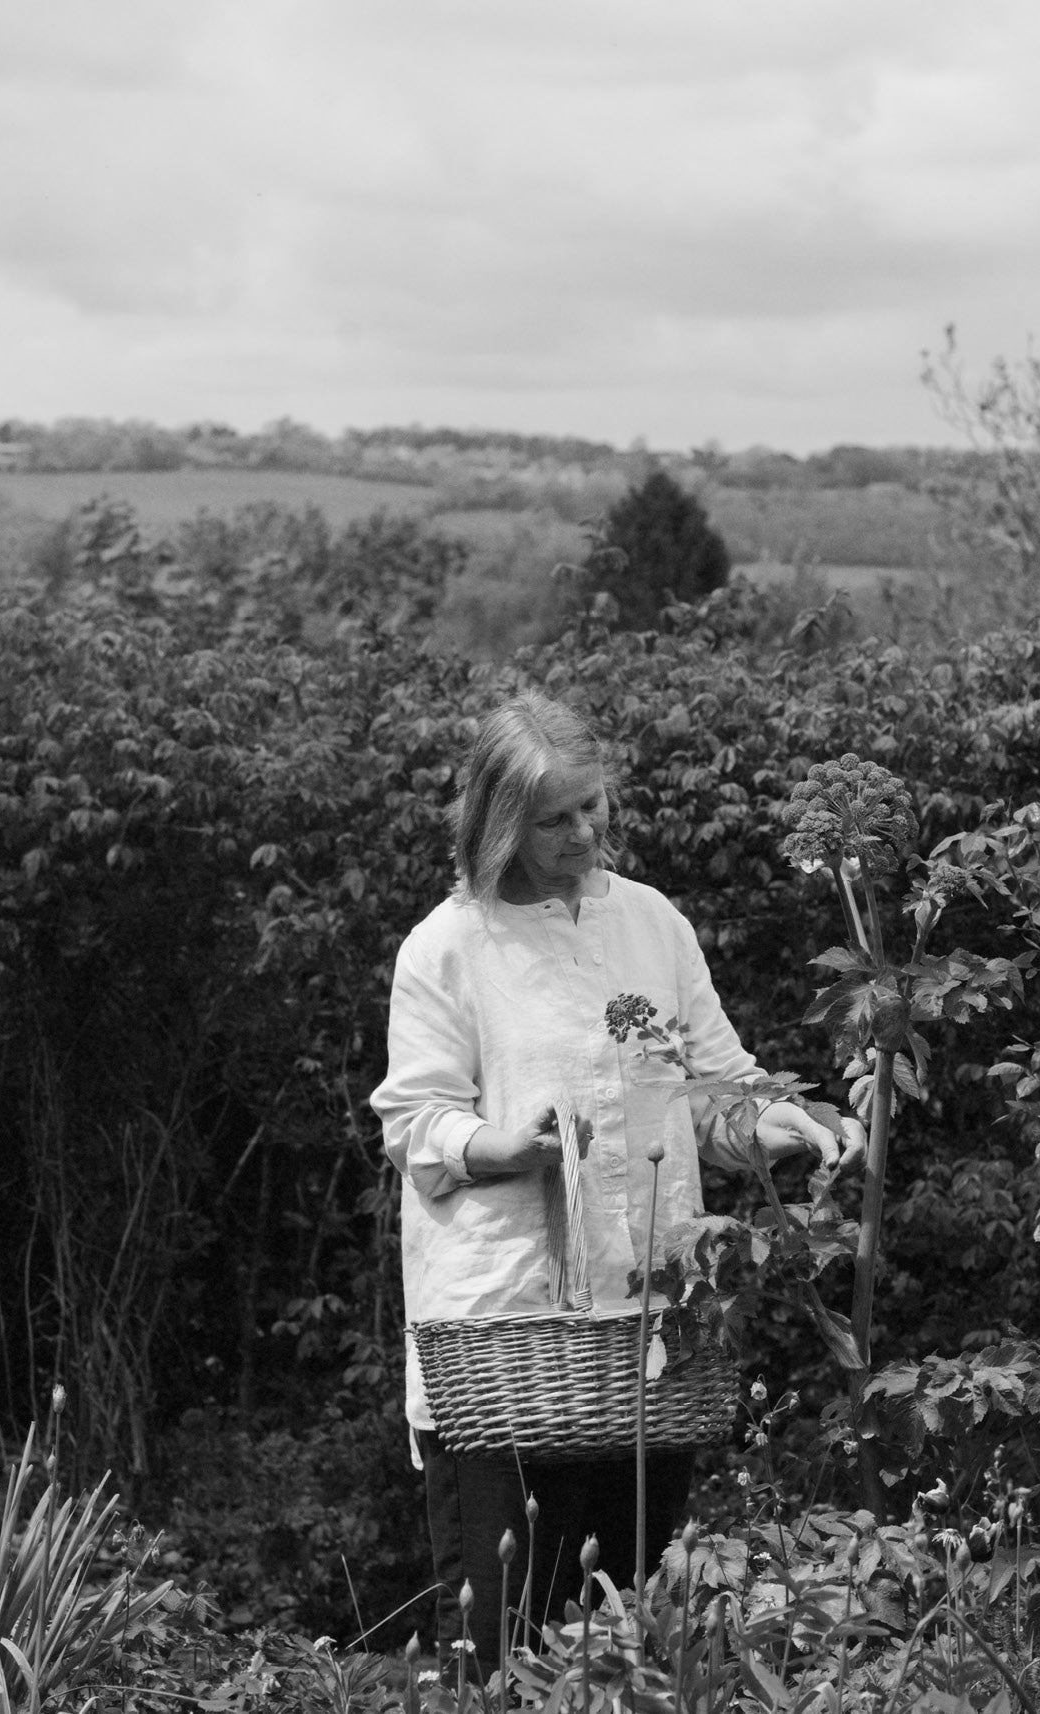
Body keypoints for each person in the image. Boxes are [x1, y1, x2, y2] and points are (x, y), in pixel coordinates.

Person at [371, 692, 856, 1662]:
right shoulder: (448, 947)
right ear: (499, 822)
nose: (582, 831)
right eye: (554, 818)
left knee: (630, 1634)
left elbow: (714, 1089)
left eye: (590, 806)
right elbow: (413, 1121)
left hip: (649, 1331)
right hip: (503, 1336)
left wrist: (790, 1121)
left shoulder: (652, 925)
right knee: (498, 1638)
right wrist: (506, 1144)